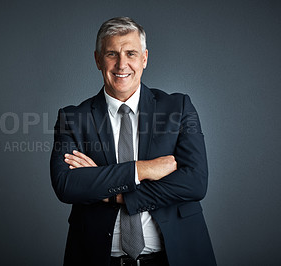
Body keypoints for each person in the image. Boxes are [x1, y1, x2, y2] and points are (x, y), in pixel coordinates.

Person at [50, 17, 216, 266]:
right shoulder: (73, 117)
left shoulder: (178, 108)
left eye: (131, 53)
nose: (121, 64)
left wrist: (114, 192)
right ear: (97, 59)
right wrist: (142, 169)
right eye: (111, 54)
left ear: (144, 58)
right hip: (97, 259)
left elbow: (195, 182)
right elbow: (67, 185)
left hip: (176, 257)